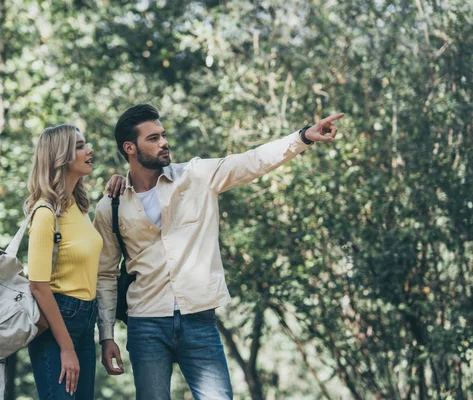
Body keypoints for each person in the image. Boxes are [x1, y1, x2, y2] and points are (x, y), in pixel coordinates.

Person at [94, 104, 344, 399]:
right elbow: (106, 275)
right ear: (130, 148)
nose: (164, 142)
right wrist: (106, 336)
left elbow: (253, 161)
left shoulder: (196, 175)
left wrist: (304, 137)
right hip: (145, 323)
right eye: (153, 138)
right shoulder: (110, 206)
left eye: (163, 135)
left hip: (199, 319)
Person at [24, 124, 124, 400]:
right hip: (58, 324)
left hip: (85, 320)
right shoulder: (45, 212)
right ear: (59, 157)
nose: (89, 149)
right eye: (79, 146)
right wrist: (66, 348)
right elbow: (38, 286)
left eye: (86, 144)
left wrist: (104, 336)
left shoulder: (77, 208)